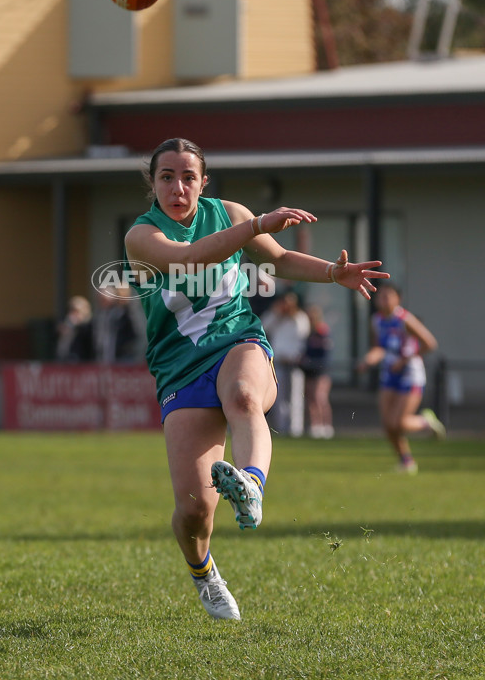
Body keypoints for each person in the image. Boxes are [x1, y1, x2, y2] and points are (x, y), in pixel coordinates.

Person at [124, 137, 389, 620]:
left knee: (245, 396)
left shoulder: (227, 212)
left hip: (237, 340)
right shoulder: (141, 236)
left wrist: (334, 272)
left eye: (188, 176)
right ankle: (205, 574)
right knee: (193, 510)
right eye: (167, 177)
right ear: (153, 184)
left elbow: (279, 260)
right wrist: (254, 225)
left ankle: (251, 483)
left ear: (204, 182)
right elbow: (190, 260)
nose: (178, 187)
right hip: (179, 366)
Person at [357, 282, 445, 474]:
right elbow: (379, 348)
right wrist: (367, 361)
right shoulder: (376, 321)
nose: (384, 299)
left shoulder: (405, 319)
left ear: (398, 299)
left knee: (400, 422)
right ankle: (406, 462)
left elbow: (429, 343)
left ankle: (426, 422)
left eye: (389, 295)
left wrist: (405, 360)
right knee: (388, 424)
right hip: (389, 374)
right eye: (382, 296)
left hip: (410, 375)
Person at [261, 289, 310, 437]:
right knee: (279, 397)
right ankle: (282, 428)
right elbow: (263, 327)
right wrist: (277, 314)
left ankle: (295, 430)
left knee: (296, 397)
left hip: (294, 363)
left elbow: (303, 332)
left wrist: (291, 314)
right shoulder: (275, 317)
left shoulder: (300, 317)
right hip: (279, 362)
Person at [301, 304, 334, 439]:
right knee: (310, 398)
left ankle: (326, 425)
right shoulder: (306, 332)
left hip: (321, 369)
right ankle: (315, 425)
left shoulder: (322, 331)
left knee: (320, 397)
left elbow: (325, 350)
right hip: (308, 369)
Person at [56, 295, 94, 362]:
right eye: (71, 310)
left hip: (83, 364)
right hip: (66, 362)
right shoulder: (68, 324)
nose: (73, 314)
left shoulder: (89, 326)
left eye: (76, 311)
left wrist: (77, 327)